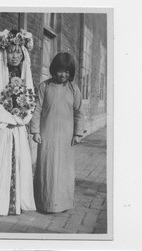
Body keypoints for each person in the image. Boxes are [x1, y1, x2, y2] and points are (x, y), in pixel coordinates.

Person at [0, 29, 36, 216]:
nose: (14, 56)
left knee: (18, 161)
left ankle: (16, 202)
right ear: (5, 53)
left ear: (23, 54)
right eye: (11, 51)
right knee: (0, 162)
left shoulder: (25, 76)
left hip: (18, 126)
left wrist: (19, 118)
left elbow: (30, 99)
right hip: (1, 127)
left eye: (18, 52)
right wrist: (4, 118)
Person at [30, 52, 84, 213]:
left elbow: (79, 112)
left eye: (67, 71)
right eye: (60, 70)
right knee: (46, 166)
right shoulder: (44, 86)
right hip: (47, 134)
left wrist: (77, 133)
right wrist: (35, 130)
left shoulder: (73, 89)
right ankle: (44, 202)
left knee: (64, 169)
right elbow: (37, 109)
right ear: (54, 70)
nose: (63, 74)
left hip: (67, 136)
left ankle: (63, 203)